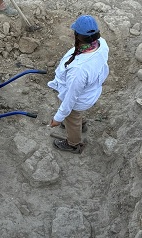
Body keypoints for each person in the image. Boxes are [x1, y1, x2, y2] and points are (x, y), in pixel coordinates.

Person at [47, 15, 109, 153]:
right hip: (90, 92)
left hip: (79, 100)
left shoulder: (79, 70)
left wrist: (58, 118)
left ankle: (73, 144)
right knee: (75, 116)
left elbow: (70, 97)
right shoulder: (101, 44)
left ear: (78, 36)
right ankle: (82, 124)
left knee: (72, 118)